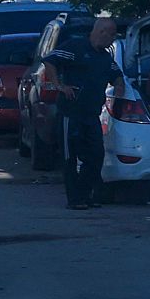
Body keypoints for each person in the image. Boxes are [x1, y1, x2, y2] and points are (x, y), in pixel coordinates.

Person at [43, 17, 124, 210]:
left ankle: (86, 194)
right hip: (71, 113)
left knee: (96, 156)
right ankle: (75, 199)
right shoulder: (76, 46)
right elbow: (49, 61)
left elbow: (116, 75)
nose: (113, 39)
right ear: (102, 31)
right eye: (112, 34)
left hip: (91, 115)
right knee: (70, 157)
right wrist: (59, 86)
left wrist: (120, 88)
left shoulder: (104, 57)